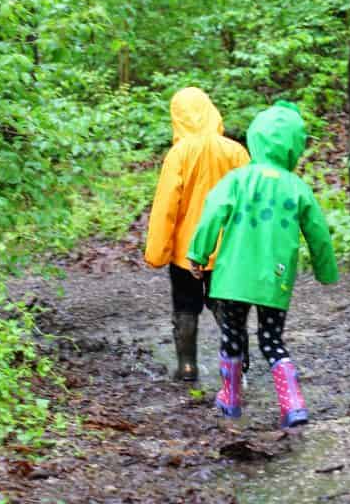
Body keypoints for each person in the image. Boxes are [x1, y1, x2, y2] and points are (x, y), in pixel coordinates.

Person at [187, 99, 338, 429]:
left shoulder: (237, 180)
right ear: (293, 148)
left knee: (233, 336)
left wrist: (198, 254)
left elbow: (212, 212)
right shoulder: (297, 187)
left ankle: (230, 398)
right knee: (272, 341)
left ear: (255, 138)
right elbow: (319, 234)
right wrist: (327, 271)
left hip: (233, 278)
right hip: (274, 279)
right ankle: (293, 404)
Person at [144, 86, 249, 382]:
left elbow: (166, 206)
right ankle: (237, 366)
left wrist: (156, 252)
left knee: (185, 307)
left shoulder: (178, 155)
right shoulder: (235, 151)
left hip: (185, 253)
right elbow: (249, 201)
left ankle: (187, 366)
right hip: (228, 250)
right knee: (228, 307)